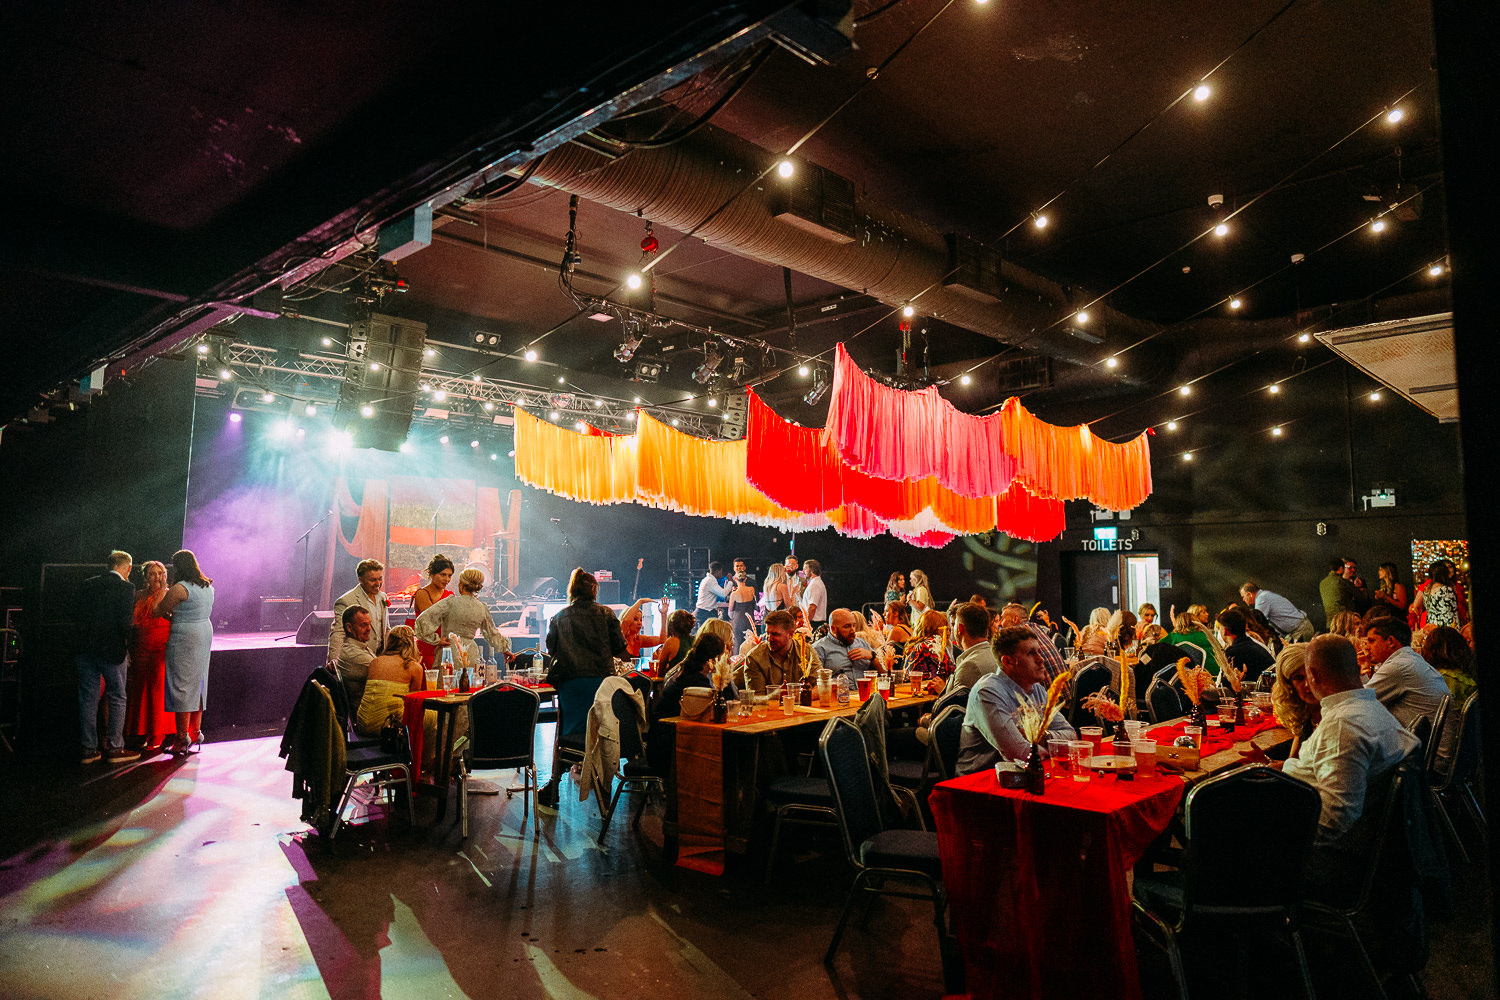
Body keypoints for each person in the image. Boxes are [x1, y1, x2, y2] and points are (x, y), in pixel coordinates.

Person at [1282, 635, 1418, 894]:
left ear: (1313, 674)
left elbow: (1333, 819)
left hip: (1337, 861)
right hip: (1366, 848)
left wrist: (1276, 827)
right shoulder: (1366, 709)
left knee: (1219, 843)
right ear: (1356, 669)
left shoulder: (1343, 725)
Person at [539, 569, 628, 808]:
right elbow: (620, 647)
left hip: (570, 684)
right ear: (594, 590)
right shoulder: (606, 614)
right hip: (602, 683)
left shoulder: (558, 618)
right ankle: (605, 782)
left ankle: (554, 785)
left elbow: (551, 649)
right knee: (602, 730)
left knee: (566, 736)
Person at [956, 626, 1077, 775]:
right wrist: (1054, 747)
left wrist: (1043, 738)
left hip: (1026, 776)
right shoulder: (987, 692)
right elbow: (1022, 754)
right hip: (976, 785)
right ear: (1007, 662)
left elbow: (1072, 736)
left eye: (1039, 652)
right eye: (1031, 653)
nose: (1041, 659)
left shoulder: (1036, 689)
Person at [76, 550, 140, 764]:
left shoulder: (87, 584)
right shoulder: (126, 587)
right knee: (117, 697)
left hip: (84, 648)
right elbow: (126, 624)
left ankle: (88, 750)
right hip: (112, 650)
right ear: (128, 568)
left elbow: (77, 616)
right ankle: (115, 748)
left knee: (87, 698)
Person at [155, 549, 215, 755]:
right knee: (198, 681)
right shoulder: (207, 585)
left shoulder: (180, 588)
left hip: (185, 636)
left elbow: (158, 610)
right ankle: (196, 732)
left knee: (181, 683)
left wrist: (163, 594)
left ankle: (182, 738)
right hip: (204, 632)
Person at [647, 633, 726, 773]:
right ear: (712, 659)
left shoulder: (684, 671)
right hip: (670, 749)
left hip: (658, 742)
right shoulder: (697, 684)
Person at [1362, 614, 1448, 732]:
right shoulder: (1409, 659)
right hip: (1430, 746)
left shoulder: (1398, 666)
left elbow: (1359, 702)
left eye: (1371, 641)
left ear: (1391, 641)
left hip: (1425, 749)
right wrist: (1362, 673)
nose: (1367, 647)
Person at [414, 568, 509, 671]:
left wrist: (436, 640)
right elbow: (492, 633)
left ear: (461, 584)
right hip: (471, 654)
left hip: (450, 653)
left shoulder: (450, 602)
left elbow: (422, 620)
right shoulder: (482, 607)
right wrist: (505, 650)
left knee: (448, 684)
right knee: (470, 684)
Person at [126, 559, 175, 751]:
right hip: (141, 646)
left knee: (157, 691)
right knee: (141, 690)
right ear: (146, 576)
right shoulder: (138, 594)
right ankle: (144, 731)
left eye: (160, 573)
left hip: (160, 646)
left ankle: (158, 734)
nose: (157, 577)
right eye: (153, 573)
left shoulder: (169, 594)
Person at [354, 625, 424, 737]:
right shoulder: (414, 667)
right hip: (389, 725)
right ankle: (426, 754)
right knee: (434, 717)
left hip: (362, 722)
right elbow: (413, 703)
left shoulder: (375, 662)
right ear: (411, 644)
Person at [743, 609, 820, 693]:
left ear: (791, 634)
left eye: (775, 634)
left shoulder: (806, 651)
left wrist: (796, 697)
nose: (769, 638)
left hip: (801, 705)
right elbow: (756, 699)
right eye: (767, 633)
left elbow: (821, 686)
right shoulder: (755, 658)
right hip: (770, 706)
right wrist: (776, 696)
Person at [331, 558, 389, 666]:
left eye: (380, 579)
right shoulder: (346, 601)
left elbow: (385, 629)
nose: (378, 583)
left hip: (380, 658)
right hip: (357, 660)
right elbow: (338, 632)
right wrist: (334, 660)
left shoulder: (383, 597)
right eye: (373, 580)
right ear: (360, 580)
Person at [1270, 644, 1320, 756]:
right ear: (1289, 685)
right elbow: (1293, 763)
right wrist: (1266, 762)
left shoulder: (1334, 715)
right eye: (1299, 678)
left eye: (1312, 675)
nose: (1308, 684)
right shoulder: (1307, 715)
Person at [999, 602, 1067, 683]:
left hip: (1048, 694)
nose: (1000, 623)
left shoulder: (1017, 636)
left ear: (1015, 619)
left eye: (1002, 619)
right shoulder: (1037, 627)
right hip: (1065, 692)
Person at [409, 553, 454, 668]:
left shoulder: (450, 595)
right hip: (428, 647)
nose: (447, 579)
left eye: (449, 575)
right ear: (432, 574)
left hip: (446, 648)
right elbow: (431, 621)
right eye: (443, 574)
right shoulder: (422, 594)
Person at [1239, 581, 1315, 643]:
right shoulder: (1265, 595)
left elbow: (1257, 622)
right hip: (1297, 631)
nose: (1243, 600)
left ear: (1249, 594)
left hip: (1300, 631)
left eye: (1243, 596)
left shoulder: (1262, 598)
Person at [1216, 607, 1275, 685]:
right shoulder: (1257, 646)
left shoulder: (1233, 652)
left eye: (1219, 628)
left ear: (1225, 631)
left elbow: (1225, 688)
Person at [812, 608, 875, 680]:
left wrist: (873, 656)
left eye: (854, 625)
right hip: (838, 690)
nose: (852, 630)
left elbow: (884, 672)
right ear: (833, 629)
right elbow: (816, 683)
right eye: (847, 626)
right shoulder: (819, 648)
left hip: (865, 690)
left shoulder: (862, 643)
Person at [949, 602, 999, 690]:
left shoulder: (969, 666)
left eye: (954, 625)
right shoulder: (995, 654)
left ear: (960, 629)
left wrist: (943, 690)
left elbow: (954, 702)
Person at [333, 607, 376, 708]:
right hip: (366, 712)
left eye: (369, 624)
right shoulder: (354, 654)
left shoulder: (359, 646)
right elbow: (385, 673)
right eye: (364, 625)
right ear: (349, 628)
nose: (369, 629)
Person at [904, 609, 953, 684]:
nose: (947, 633)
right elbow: (949, 670)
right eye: (945, 628)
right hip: (926, 687)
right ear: (938, 629)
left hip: (911, 685)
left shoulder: (918, 644)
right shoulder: (930, 644)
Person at [1411, 559, 1459, 628]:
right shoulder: (1446, 590)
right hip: (1446, 628)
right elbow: (1452, 614)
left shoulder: (1427, 589)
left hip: (1432, 627)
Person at [653, 610, 697, 676]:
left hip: (677, 683)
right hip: (695, 683)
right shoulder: (696, 640)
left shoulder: (671, 642)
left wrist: (658, 658)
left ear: (671, 626)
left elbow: (659, 671)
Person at [1320, 557, 1359, 627]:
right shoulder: (1344, 582)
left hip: (1330, 624)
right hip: (1345, 623)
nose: (1353, 570)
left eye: (1354, 568)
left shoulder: (1322, 583)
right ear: (1341, 568)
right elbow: (1361, 597)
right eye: (1349, 567)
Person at [727, 573, 758, 648]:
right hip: (750, 620)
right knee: (750, 643)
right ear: (746, 579)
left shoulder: (734, 594)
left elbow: (730, 610)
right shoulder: (751, 589)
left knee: (738, 643)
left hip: (738, 621)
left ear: (735, 579)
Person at [694, 560, 728, 628]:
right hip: (705, 613)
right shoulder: (710, 581)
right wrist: (730, 582)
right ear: (718, 571)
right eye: (721, 571)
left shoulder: (708, 579)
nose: (722, 573)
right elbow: (723, 593)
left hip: (705, 611)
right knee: (706, 636)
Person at [801, 559, 828, 629]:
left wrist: (807, 623)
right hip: (814, 623)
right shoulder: (815, 583)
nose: (803, 571)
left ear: (812, 570)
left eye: (805, 569)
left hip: (814, 624)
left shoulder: (815, 584)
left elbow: (812, 607)